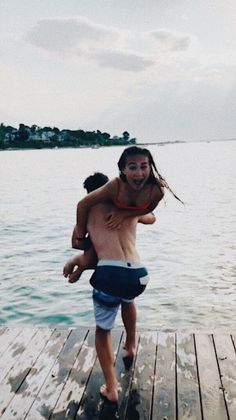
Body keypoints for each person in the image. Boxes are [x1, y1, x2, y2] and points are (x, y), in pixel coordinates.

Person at [63, 172, 108, 283]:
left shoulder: (92, 210)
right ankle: (78, 264)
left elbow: (76, 244)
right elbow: (76, 244)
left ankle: (77, 264)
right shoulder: (89, 211)